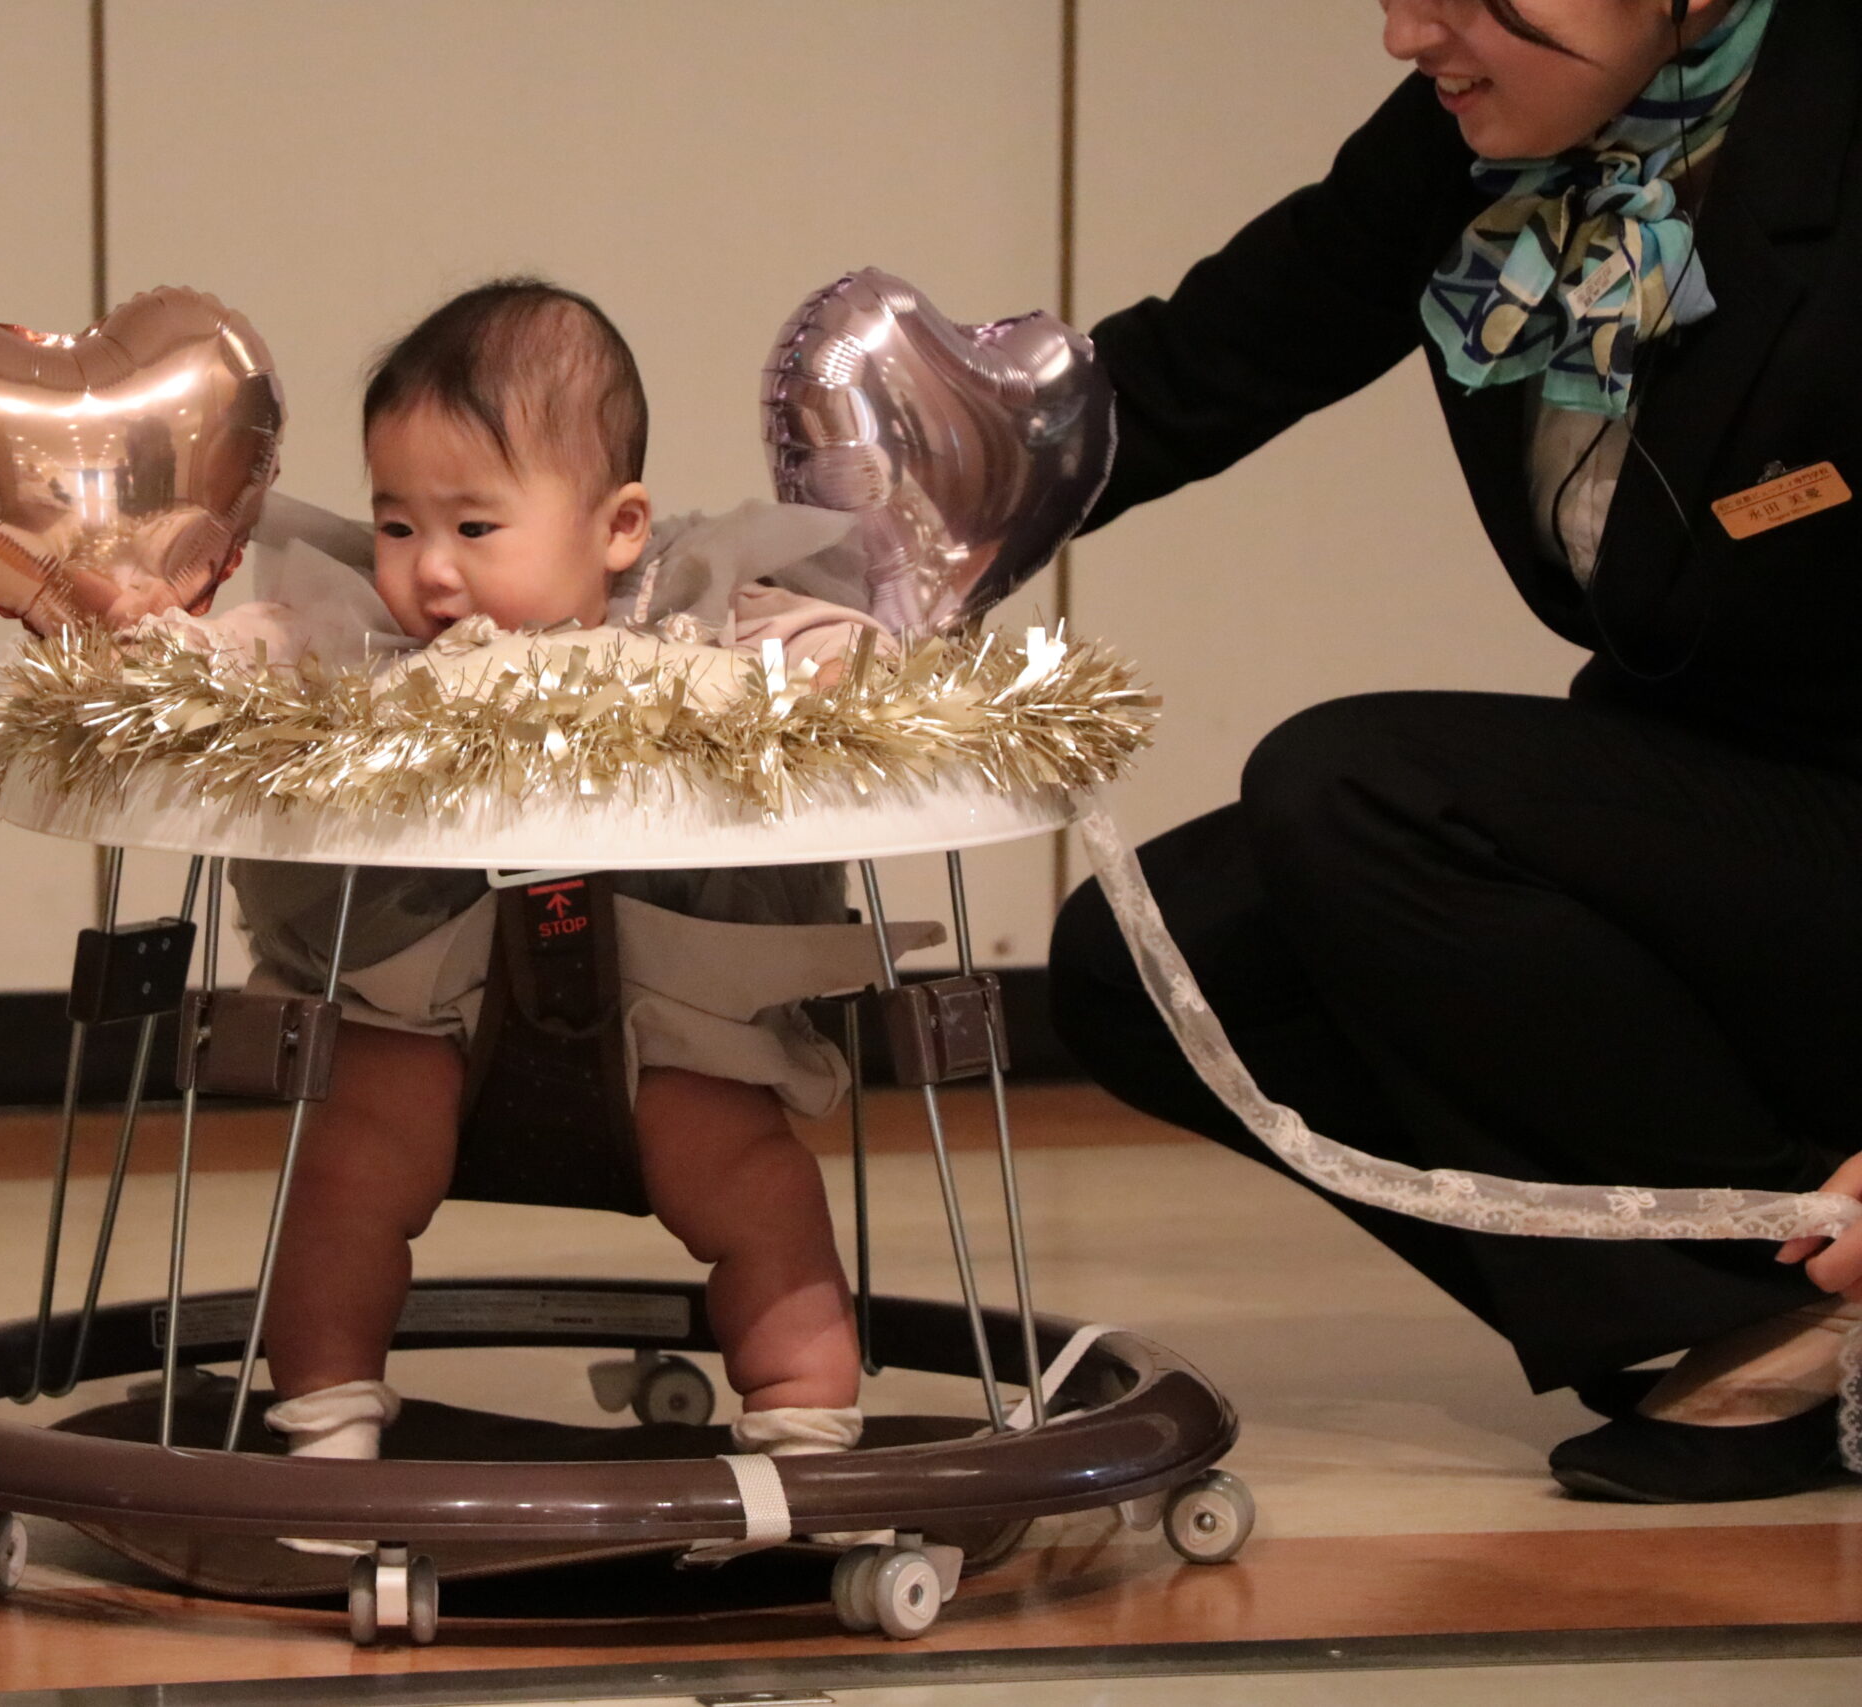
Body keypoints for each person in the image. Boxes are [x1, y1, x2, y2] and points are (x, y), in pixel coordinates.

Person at [1048, 0, 1862, 1504]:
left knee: (1360, 786)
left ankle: (1803, 1294)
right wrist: (855, 545)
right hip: (1721, 813)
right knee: (1150, 960)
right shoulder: (1499, 132)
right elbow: (1192, 368)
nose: (1405, 31)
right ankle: (1749, 1312)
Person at [167, 280, 898, 1493]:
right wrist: (168, 650)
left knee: (760, 1186)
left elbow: (829, 642)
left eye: (474, 526)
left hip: (668, 1010)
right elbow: (249, 652)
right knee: (345, 1170)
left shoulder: (688, 610)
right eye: (396, 524)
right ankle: (325, 1413)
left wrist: (837, 675)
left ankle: (802, 1425)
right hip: (417, 998)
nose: (428, 570)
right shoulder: (360, 630)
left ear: (618, 529)